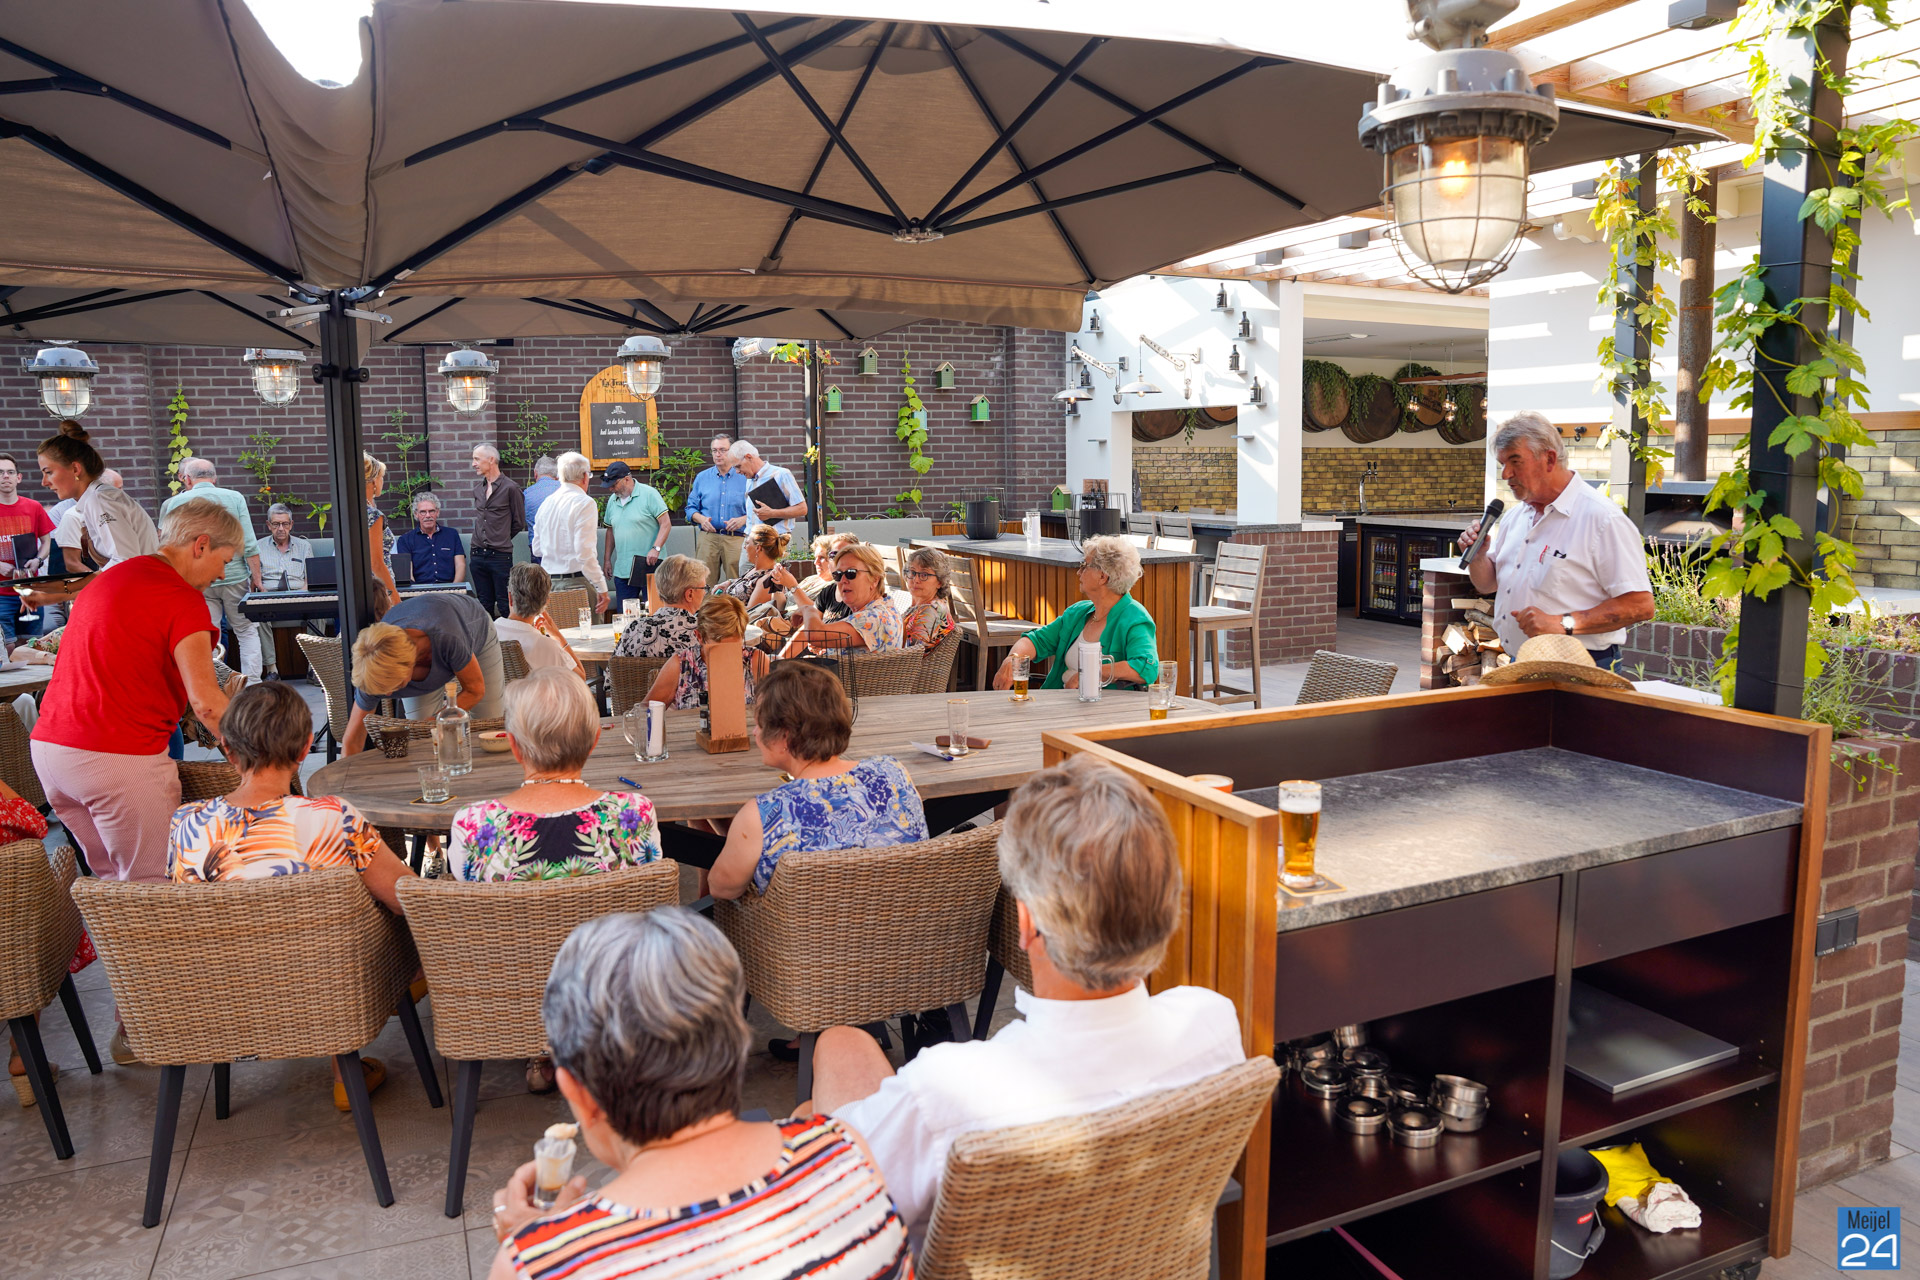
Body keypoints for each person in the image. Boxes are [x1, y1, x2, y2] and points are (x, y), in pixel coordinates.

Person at [812, 755, 1246, 1247]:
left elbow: (834, 1209)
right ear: (1165, 906)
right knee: (844, 1047)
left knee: (836, 1056)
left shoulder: (945, 1096)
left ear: (1027, 922)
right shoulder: (1212, 1024)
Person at [484, 908, 913, 1280]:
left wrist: (545, 1248)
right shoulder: (847, 1153)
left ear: (579, 1095)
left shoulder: (537, 1264)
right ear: (735, 1043)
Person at [165, 679, 416, 1108]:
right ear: (304, 749)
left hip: (222, 996)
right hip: (326, 992)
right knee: (371, 915)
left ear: (227, 749)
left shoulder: (184, 822)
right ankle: (344, 1069)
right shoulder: (334, 817)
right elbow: (404, 897)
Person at [30, 497, 235, 890]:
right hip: (114, 757)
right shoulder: (181, 597)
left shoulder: (110, 578)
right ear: (201, 545)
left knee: (114, 888)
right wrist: (252, 757)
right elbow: (207, 703)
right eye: (224, 560)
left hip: (51, 750)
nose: (222, 573)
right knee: (155, 888)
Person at [707, 661, 925, 903]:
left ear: (785, 736)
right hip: (907, 920)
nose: (755, 732)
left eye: (760, 724)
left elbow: (721, 889)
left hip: (808, 927)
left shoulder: (765, 814)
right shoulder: (893, 773)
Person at [1460, 411, 1655, 670]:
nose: (1506, 474)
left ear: (1549, 459)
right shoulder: (1514, 517)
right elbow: (1487, 585)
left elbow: (1640, 606)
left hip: (1582, 667)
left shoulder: (1603, 519)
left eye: (1515, 461)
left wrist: (1563, 623)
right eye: (1502, 464)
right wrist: (1478, 556)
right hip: (1521, 662)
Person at [22, 424, 160, 621]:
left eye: (48, 472)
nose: (44, 482)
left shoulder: (100, 500)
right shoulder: (95, 499)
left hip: (139, 604)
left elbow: (124, 562)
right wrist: (58, 589)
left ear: (75, 468)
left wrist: (62, 591)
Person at [342, 590, 505, 753]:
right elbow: (352, 741)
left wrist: (437, 720)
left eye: (395, 686)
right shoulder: (373, 673)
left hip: (473, 627)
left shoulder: (448, 637)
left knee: (489, 728)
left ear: (408, 665)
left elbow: (475, 690)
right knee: (423, 739)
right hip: (431, 626)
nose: (388, 694)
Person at [991, 535, 1158, 692]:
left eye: (1084, 566)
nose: (1079, 572)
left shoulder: (1135, 618)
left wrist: (1092, 671)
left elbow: (1146, 668)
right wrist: (1013, 659)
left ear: (1102, 577)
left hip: (1104, 707)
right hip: (1060, 701)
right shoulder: (1077, 613)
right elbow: (1036, 640)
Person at [160, 458, 265, 680]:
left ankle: (213, 684)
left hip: (197, 580)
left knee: (208, 634)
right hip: (235, 576)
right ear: (214, 478)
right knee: (246, 631)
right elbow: (249, 543)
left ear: (187, 479)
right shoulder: (235, 498)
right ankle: (253, 685)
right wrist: (257, 578)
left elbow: (165, 546)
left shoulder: (173, 503)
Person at [646, 594, 769, 711]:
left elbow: (773, 710)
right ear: (699, 636)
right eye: (717, 648)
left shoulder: (755, 661)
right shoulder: (682, 664)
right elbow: (645, 710)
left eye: (734, 648)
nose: (725, 655)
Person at [780, 541, 903, 656]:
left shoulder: (873, 617)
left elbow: (815, 635)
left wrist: (808, 610)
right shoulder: (886, 606)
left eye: (851, 573)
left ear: (874, 579)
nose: (843, 580)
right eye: (837, 575)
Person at [530, 452, 609, 616]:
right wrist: (601, 587)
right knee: (588, 632)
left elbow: (537, 549)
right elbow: (584, 553)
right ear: (585, 476)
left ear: (560, 477)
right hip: (576, 583)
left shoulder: (546, 504)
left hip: (549, 585)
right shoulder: (585, 502)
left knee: (554, 632)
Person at [600, 460, 670, 613]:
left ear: (627, 479)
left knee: (655, 615)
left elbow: (665, 523)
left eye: (614, 484)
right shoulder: (613, 500)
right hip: (623, 569)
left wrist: (656, 548)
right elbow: (610, 531)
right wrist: (607, 560)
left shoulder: (649, 494)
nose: (611, 489)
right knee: (625, 617)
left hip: (650, 567)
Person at [494, 564, 587, 678]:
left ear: (510, 598)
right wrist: (558, 636)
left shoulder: (490, 632)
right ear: (546, 602)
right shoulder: (546, 646)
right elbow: (580, 678)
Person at [0, 453, 55, 645]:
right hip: (1, 594)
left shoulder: (34, 507)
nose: (5, 476)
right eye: (0, 472)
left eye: (10, 472)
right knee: (7, 647)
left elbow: (46, 542)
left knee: (32, 645)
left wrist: (38, 560)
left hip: (30, 590)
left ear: (19, 477)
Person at [728, 440, 805, 572]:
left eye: (738, 466)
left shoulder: (781, 474)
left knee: (775, 581)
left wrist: (772, 513)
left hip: (775, 541)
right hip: (750, 541)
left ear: (749, 457)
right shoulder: (749, 480)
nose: (737, 471)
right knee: (744, 581)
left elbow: (802, 509)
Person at [685, 432, 750, 590]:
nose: (718, 454)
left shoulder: (745, 477)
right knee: (703, 585)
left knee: (738, 585)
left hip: (736, 538)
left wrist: (743, 519)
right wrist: (701, 519)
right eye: (714, 450)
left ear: (732, 451)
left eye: (722, 450)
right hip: (708, 538)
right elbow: (690, 508)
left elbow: (758, 509)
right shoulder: (702, 478)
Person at [469, 443, 525, 618]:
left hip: (500, 555)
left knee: (505, 604)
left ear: (491, 460)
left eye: (477, 459)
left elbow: (519, 522)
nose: (473, 464)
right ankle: (488, 636)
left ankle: (508, 636)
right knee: (484, 603)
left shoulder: (511, 488)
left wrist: (500, 537)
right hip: (477, 553)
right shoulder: (478, 489)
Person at [613, 554, 706, 658]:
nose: (705, 593)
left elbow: (614, 666)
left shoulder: (633, 629)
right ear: (689, 594)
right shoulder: (703, 632)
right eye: (704, 588)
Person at [717, 524, 798, 613]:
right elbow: (747, 583)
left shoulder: (769, 580)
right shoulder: (756, 570)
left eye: (747, 543)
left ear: (758, 548)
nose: (744, 547)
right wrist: (730, 582)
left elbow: (751, 612)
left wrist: (721, 604)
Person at [392, 493, 467, 584]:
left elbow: (460, 565)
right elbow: (408, 573)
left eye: (431, 511)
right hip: (420, 589)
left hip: (450, 588)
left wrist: (454, 588)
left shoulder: (452, 535)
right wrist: (417, 591)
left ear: (437, 512)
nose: (428, 515)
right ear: (416, 514)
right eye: (423, 512)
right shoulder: (405, 540)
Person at [793, 531, 858, 622]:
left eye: (822, 557)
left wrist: (792, 586)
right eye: (833, 555)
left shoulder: (860, 596)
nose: (816, 562)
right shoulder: (827, 592)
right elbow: (813, 622)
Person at [901, 547, 956, 650]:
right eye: (912, 572)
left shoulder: (930, 611)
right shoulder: (919, 606)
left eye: (924, 575)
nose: (916, 580)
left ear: (940, 582)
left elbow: (912, 654)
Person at [364, 452, 399, 601]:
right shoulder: (372, 514)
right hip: (379, 592)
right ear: (373, 481)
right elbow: (376, 564)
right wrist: (396, 600)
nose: (382, 482)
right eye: (381, 477)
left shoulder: (352, 511)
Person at [256, 503, 314, 591]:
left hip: (298, 593)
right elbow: (255, 580)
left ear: (291, 524)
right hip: (269, 594)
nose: (281, 529)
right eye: (275, 524)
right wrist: (265, 594)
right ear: (268, 525)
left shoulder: (304, 547)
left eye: (285, 524)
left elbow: (310, 580)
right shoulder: (258, 547)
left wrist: (300, 595)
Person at [522, 455, 561, 540]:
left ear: (535, 473)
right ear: (557, 474)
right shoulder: (566, 490)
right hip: (561, 543)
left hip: (537, 543)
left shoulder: (526, 494)